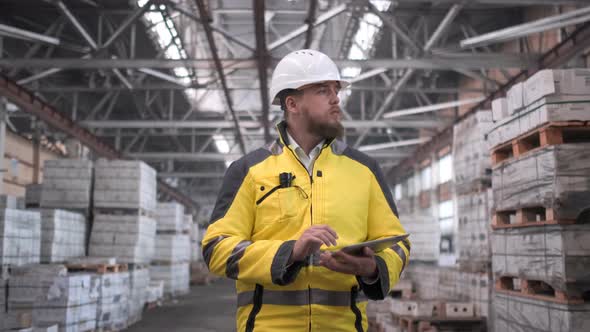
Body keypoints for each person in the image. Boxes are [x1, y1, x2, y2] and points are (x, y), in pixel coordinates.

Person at [201, 49, 410, 332]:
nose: (336, 98)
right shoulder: (249, 171)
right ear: (292, 103)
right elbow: (217, 247)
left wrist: (372, 269)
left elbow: (397, 243)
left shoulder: (365, 170)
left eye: (336, 89)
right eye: (323, 90)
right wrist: (290, 253)